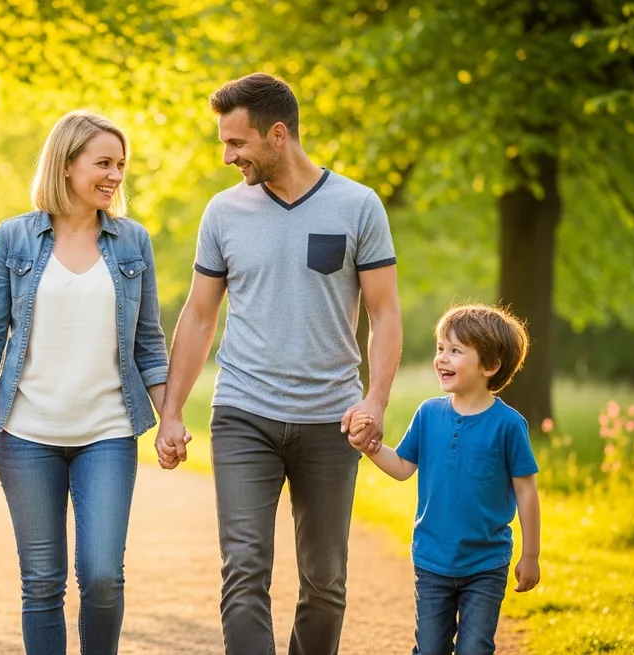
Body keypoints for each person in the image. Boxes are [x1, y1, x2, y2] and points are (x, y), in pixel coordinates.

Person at [155, 72, 403, 655]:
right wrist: (170, 412)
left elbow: (384, 312)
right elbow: (197, 317)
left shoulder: (358, 205)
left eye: (236, 143)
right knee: (243, 570)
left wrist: (377, 400)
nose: (226, 156)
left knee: (325, 580)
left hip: (331, 419)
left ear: (277, 134)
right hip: (244, 413)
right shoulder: (223, 214)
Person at [0, 110, 169, 655]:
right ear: (66, 163)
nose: (115, 175)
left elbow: (149, 342)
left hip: (108, 431)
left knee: (102, 576)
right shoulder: (14, 238)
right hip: (26, 433)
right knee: (42, 582)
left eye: (121, 165)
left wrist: (170, 418)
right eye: (103, 163)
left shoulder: (133, 242)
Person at [346, 304, 541, 655]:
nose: (442, 359)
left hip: (486, 562)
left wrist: (531, 555)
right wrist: (372, 449)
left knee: (475, 648)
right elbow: (404, 466)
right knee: (430, 648)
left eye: (455, 351)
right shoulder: (428, 414)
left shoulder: (508, 425)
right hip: (432, 559)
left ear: (491, 366)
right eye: (440, 349)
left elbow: (526, 490)